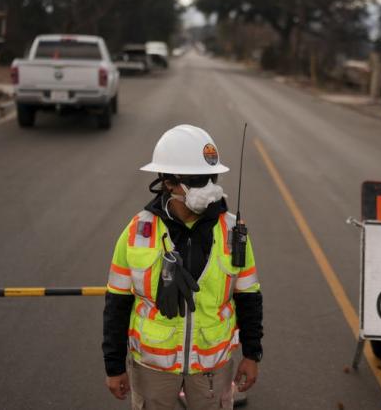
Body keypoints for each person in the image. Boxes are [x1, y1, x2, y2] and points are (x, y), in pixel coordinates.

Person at [102, 124, 263, 410]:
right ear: (168, 182)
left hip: (212, 367)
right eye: (196, 179)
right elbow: (117, 302)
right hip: (153, 369)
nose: (208, 188)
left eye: (210, 177)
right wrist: (114, 367)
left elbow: (249, 297)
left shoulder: (232, 232)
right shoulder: (138, 231)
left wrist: (252, 355)